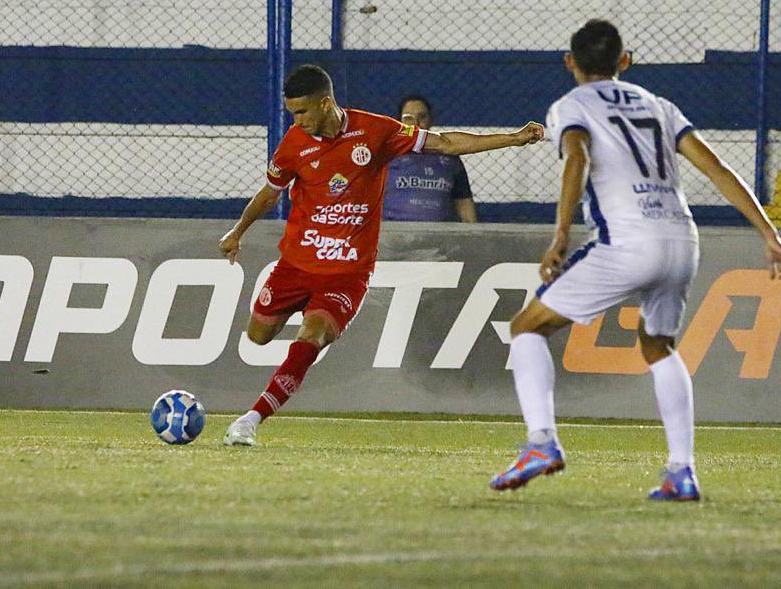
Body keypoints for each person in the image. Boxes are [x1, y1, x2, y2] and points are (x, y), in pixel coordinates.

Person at [489, 20, 781, 501]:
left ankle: (541, 442)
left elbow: (577, 159)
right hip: (682, 240)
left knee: (527, 327)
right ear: (625, 61)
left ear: (570, 62)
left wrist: (560, 235)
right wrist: (771, 235)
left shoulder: (570, 106)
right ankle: (682, 471)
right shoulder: (660, 105)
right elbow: (716, 167)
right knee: (659, 347)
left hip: (629, 240)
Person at [219, 64, 544, 446]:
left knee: (312, 336)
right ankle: (271, 376)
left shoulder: (375, 131)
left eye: (303, 111)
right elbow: (270, 192)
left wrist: (513, 138)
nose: (298, 120)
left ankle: (251, 419)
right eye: (293, 113)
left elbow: (445, 143)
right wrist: (237, 231)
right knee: (258, 335)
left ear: (326, 103)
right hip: (296, 263)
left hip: (347, 271)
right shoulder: (294, 144)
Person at [383, 95, 477, 222]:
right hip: (396, 233)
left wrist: (472, 233)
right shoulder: (386, 155)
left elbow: (464, 201)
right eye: (408, 118)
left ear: (431, 121)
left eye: (422, 117)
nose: (416, 123)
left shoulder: (450, 156)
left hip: (441, 234)